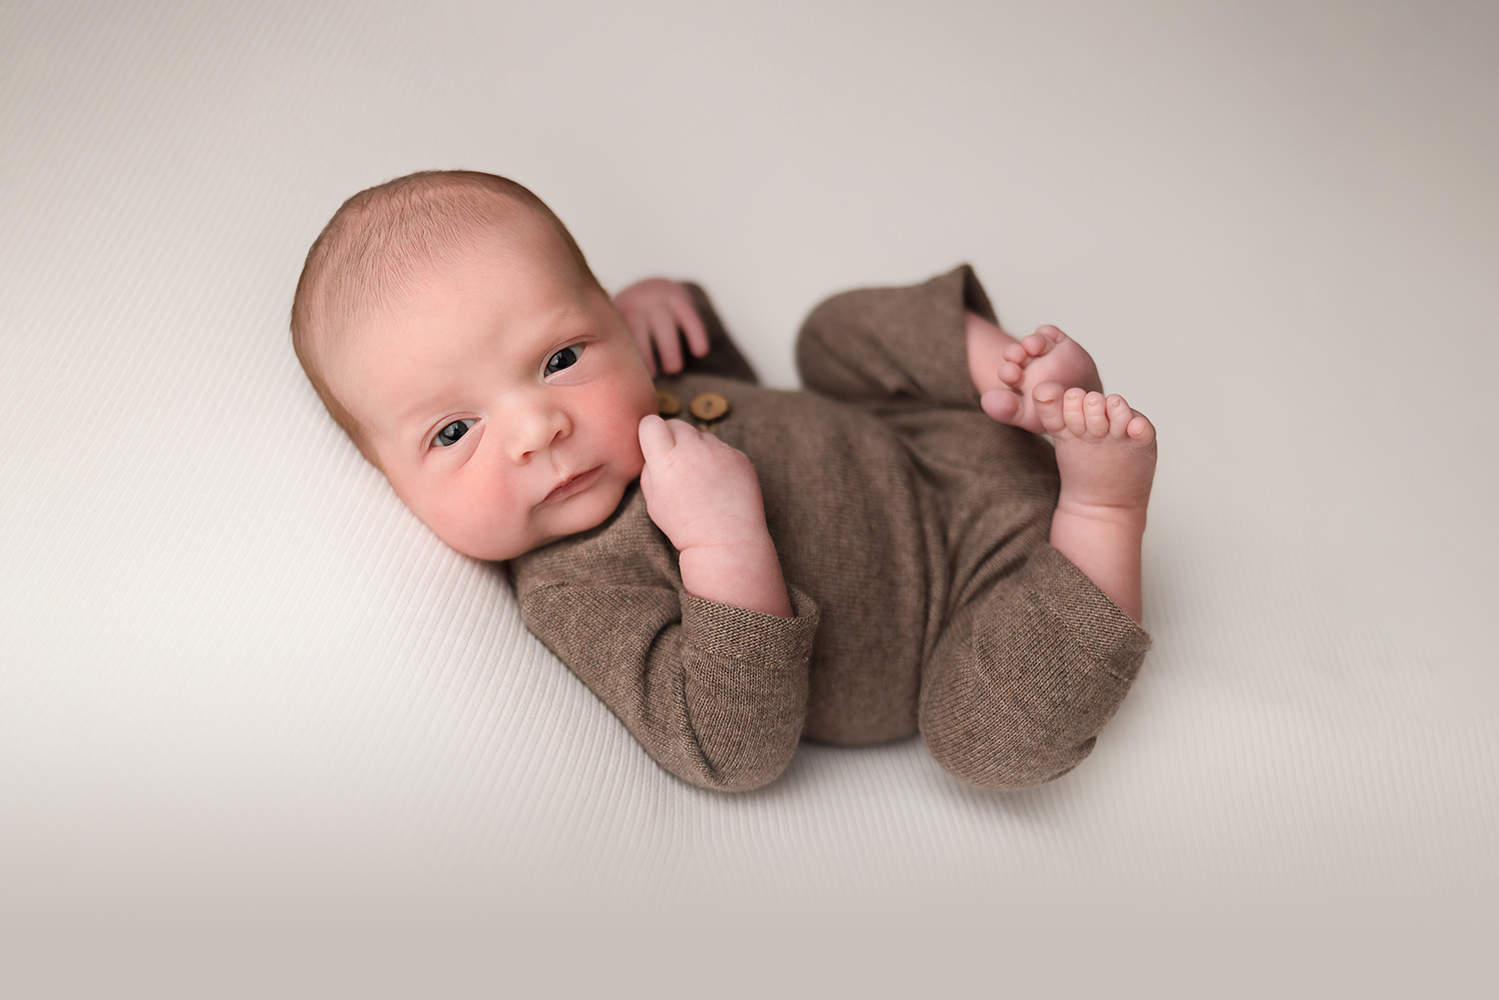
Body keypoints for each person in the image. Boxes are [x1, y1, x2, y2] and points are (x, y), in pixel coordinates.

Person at [289, 169, 1158, 793]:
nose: (535, 428)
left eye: (559, 358)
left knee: (830, 335)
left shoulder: (635, 405)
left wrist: (674, 319)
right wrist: (722, 544)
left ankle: (1018, 377)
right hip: (983, 607)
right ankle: (1102, 506)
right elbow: (727, 748)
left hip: (940, 432)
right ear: (387, 480)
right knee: (983, 743)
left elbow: (735, 391)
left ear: (607, 323)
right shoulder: (577, 584)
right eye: (453, 430)